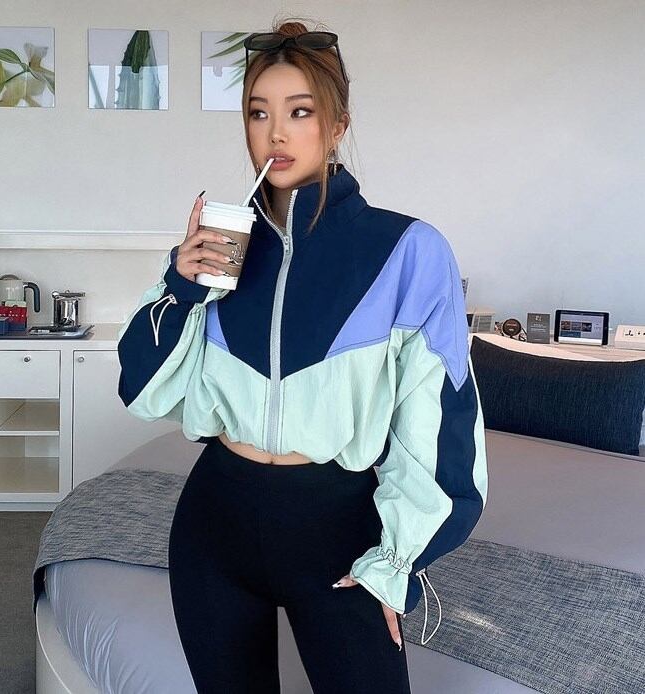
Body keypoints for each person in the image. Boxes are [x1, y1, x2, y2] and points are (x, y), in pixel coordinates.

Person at [117, 18, 488, 694]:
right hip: (215, 520)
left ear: (337, 124)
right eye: (258, 113)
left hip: (338, 527)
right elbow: (143, 389)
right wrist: (180, 283)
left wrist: (395, 562)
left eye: (299, 112)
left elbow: (437, 423)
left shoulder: (408, 251)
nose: (276, 134)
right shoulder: (219, 247)